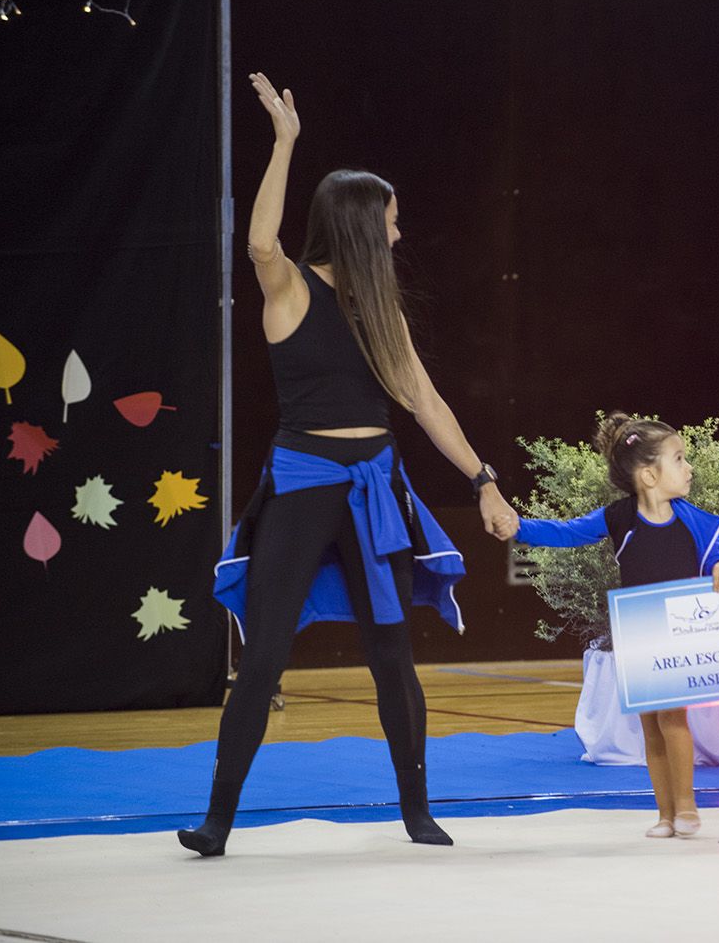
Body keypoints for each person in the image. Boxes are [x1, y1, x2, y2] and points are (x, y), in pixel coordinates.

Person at [177, 74, 519, 857]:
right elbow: (260, 241)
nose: (400, 235)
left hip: (372, 488)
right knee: (262, 657)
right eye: (392, 223)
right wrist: (285, 142)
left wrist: (484, 481)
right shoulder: (290, 290)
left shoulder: (380, 309)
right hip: (302, 487)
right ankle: (217, 822)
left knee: (392, 656)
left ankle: (417, 813)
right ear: (363, 226)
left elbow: (427, 404)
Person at [511, 414, 719, 838]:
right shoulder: (619, 518)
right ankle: (665, 815)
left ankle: (688, 806)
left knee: (674, 720)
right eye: (679, 459)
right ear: (650, 475)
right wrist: (519, 527)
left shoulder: (690, 518)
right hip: (638, 636)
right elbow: (567, 533)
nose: (689, 468)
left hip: (678, 635)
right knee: (649, 728)